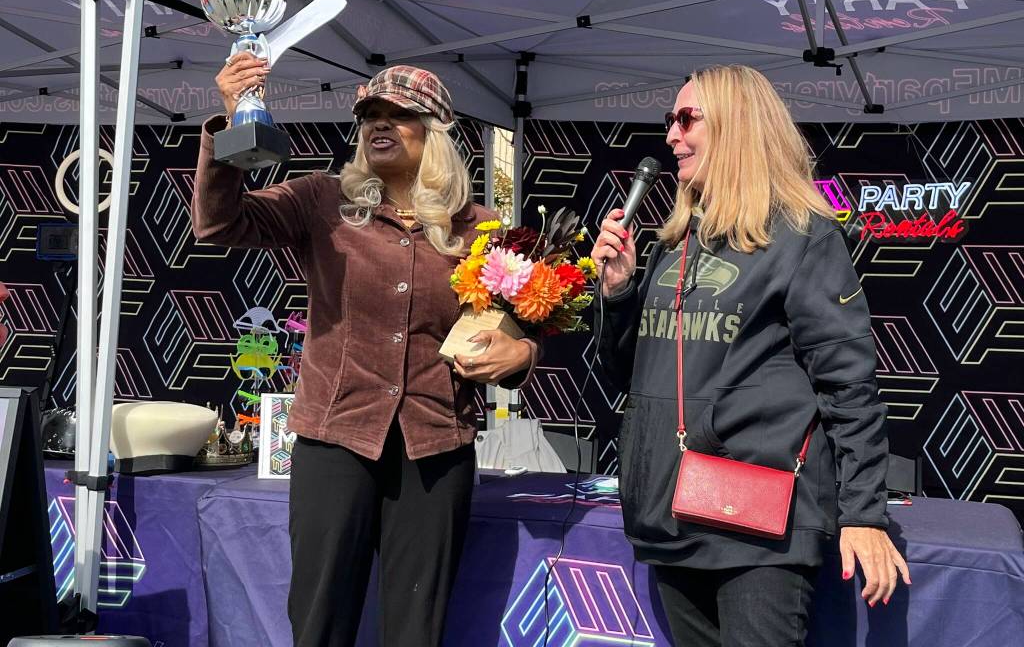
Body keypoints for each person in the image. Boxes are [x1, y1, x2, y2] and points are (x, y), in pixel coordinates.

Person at [192, 58, 539, 647]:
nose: (380, 124)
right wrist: (230, 123)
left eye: (399, 115)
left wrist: (523, 353)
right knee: (320, 619)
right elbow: (219, 223)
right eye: (369, 115)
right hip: (336, 437)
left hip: (436, 442)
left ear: (436, 130)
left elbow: (523, 327)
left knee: (416, 628)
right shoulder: (322, 200)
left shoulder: (483, 229)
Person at [590, 65, 910, 647]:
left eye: (687, 119)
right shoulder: (674, 241)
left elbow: (850, 385)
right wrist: (617, 293)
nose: (671, 135)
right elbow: (626, 376)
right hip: (672, 513)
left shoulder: (802, 236)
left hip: (760, 525)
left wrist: (864, 512)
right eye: (670, 120)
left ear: (736, 128)